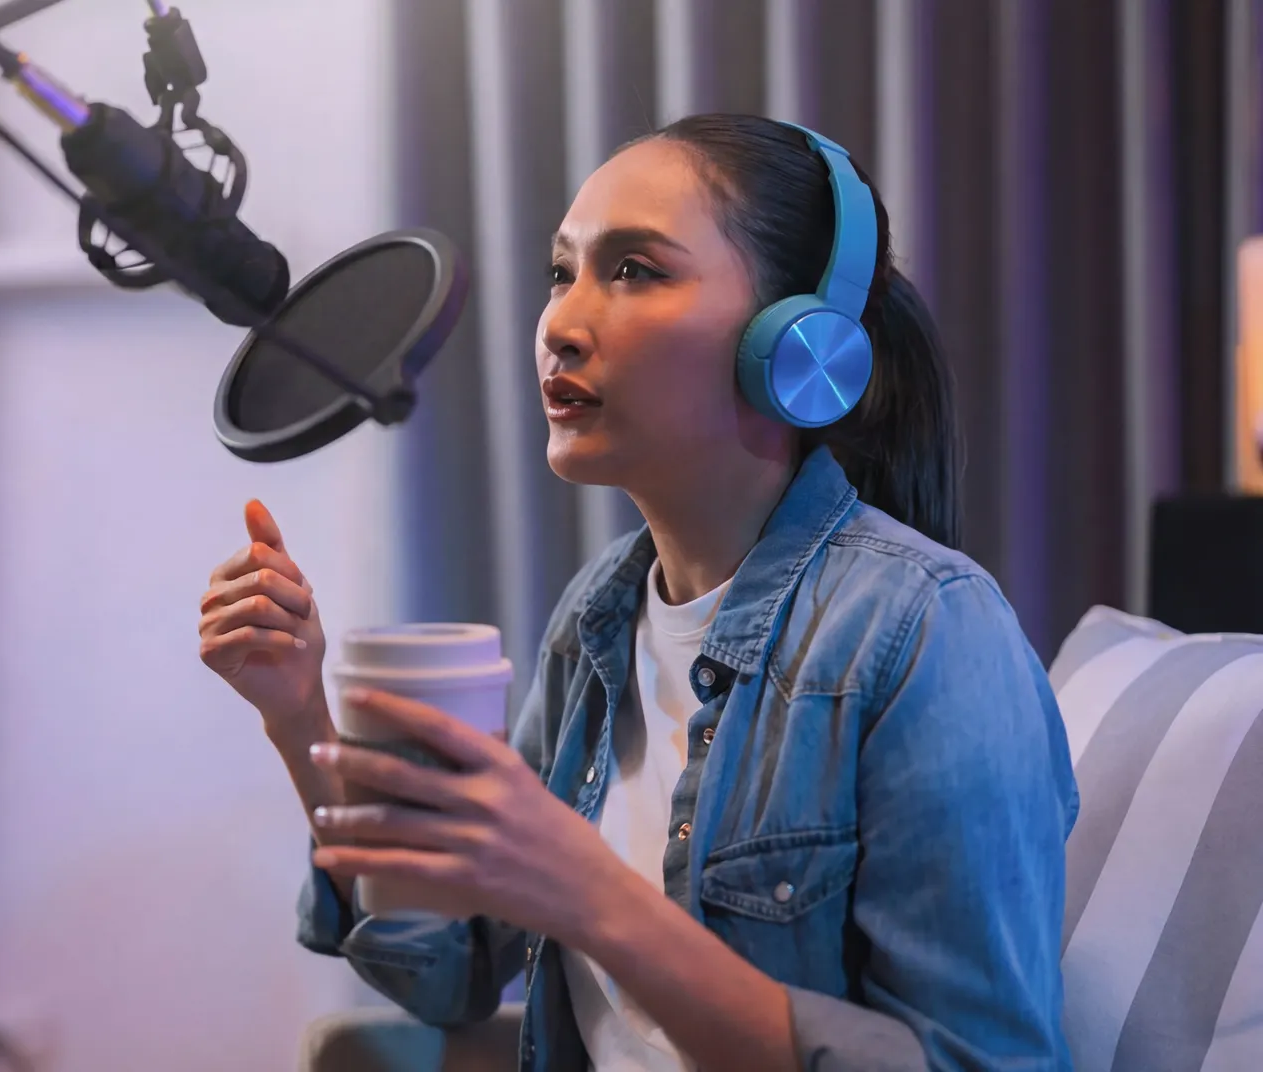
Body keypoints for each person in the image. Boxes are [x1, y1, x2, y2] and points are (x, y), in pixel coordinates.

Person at [196, 113, 1078, 1071]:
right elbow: (445, 971)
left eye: (635, 270)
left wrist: (591, 900)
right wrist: (298, 718)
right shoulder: (600, 616)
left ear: (795, 343)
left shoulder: (926, 631)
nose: (561, 327)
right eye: (561, 272)